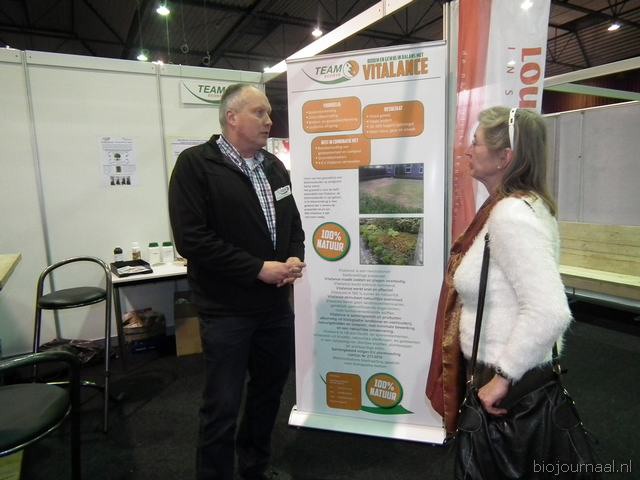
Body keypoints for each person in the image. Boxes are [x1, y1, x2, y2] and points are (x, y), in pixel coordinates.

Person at [168, 83, 305, 480]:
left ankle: (254, 468)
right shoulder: (196, 165)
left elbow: (293, 223)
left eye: (268, 113)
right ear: (232, 117)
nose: (269, 120)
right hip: (226, 310)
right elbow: (192, 239)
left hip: (274, 308)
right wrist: (257, 268)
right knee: (222, 406)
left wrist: (292, 255)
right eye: (259, 112)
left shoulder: (274, 166)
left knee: (268, 395)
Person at [426, 106, 572, 437]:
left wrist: (502, 378)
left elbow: (550, 311)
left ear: (504, 157)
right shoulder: (524, 206)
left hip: (504, 377)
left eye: (475, 142)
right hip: (508, 369)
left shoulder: (511, 216)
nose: (468, 150)